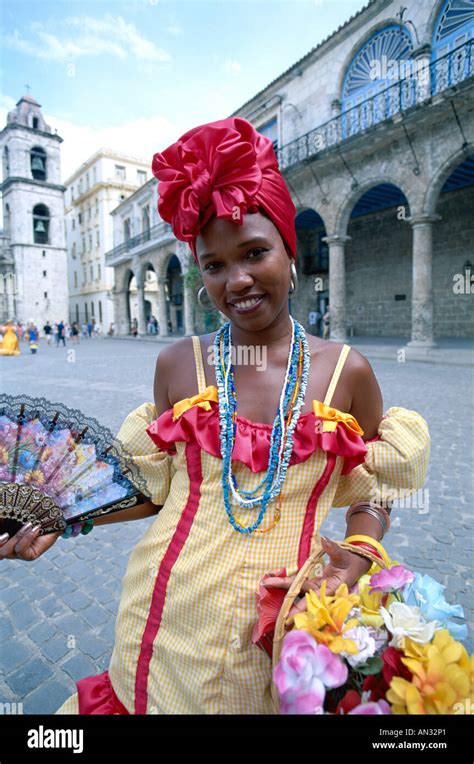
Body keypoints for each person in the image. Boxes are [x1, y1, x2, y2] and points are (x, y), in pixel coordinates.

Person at [1, 118, 431, 715]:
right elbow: (155, 493)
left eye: (255, 253)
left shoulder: (346, 374)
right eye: (213, 265)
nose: (238, 280)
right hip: (167, 615)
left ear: (290, 249)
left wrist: (360, 554)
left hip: (281, 630)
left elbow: (377, 485)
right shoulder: (180, 366)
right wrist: (67, 518)